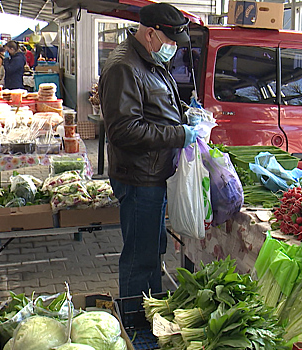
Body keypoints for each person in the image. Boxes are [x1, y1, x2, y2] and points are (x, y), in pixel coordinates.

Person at [99, 2, 196, 299]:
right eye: (170, 42)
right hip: (139, 177)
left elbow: (159, 104)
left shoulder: (150, 60)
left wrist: (187, 113)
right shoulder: (124, 67)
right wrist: (179, 134)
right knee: (140, 258)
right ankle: (134, 320)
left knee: (153, 251)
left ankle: (150, 314)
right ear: (151, 34)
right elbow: (123, 130)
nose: (173, 48)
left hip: (154, 173)